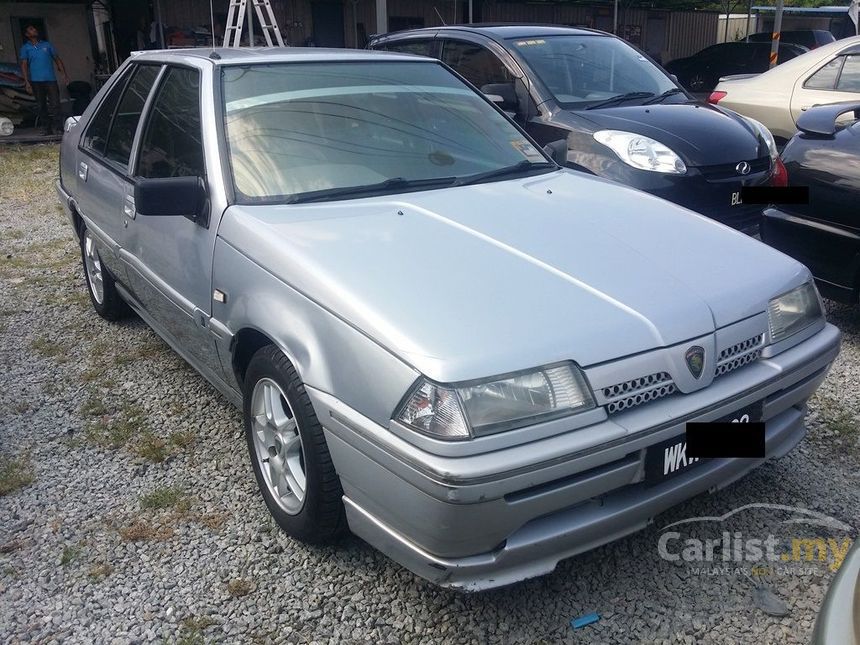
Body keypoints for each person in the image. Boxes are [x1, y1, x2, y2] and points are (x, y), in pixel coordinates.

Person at [19, 25, 68, 135]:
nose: (35, 30)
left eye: (35, 28)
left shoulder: (47, 45)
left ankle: (59, 128)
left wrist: (64, 74)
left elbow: (57, 59)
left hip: (50, 80)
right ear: (27, 34)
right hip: (36, 81)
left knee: (55, 104)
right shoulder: (25, 48)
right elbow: (24, 65)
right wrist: (27, 82)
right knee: (41, 106)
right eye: (31, 29)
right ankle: (47, 129)